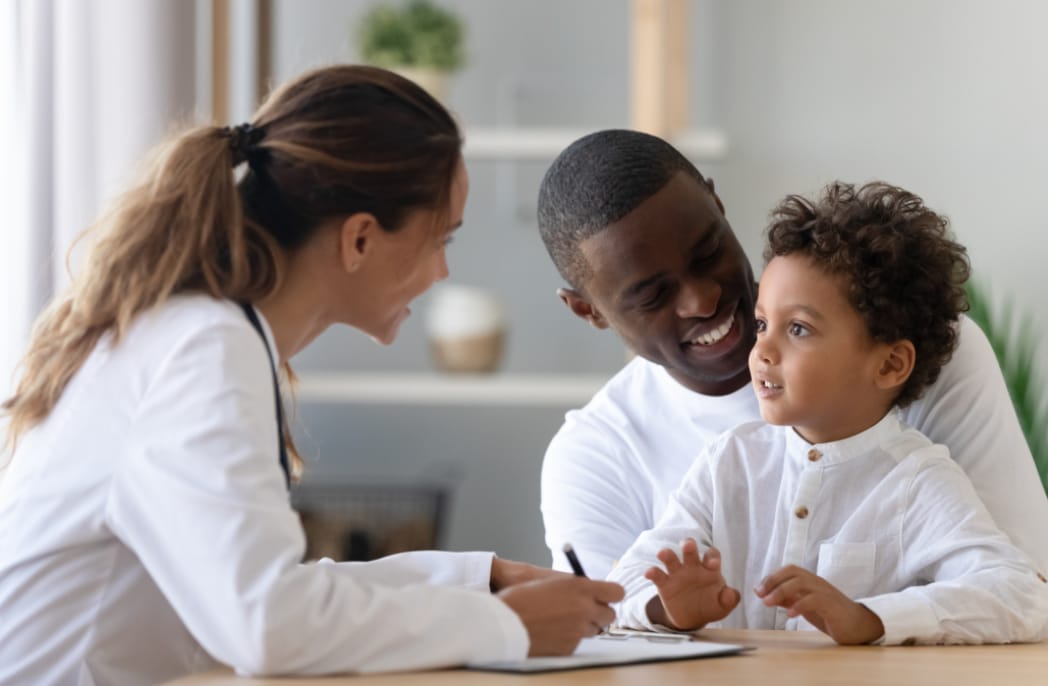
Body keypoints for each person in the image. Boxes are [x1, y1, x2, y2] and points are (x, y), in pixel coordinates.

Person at [0, 65, 623, 685]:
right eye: (442, 241)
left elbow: (269, 589)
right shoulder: (202, 350)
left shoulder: (196, 333)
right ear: (359, 240)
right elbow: (268, 626)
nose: (441, 275)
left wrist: (480, 580)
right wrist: (507, 628)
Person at [537, 129, 1048, 581]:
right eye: (652, 297)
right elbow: (610, 639)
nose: (703, 300)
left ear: (719, 207)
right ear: (589, 311)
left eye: (708, 253)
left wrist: (865, 622)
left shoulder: (919, 344)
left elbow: (1027, 590)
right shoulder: (596, 455)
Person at [607, 181, 1048, 645]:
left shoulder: (918, 480)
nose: (762, 351)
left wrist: (869, 618)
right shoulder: (730, 462)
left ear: (889, 363)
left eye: (798, 328)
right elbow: (623, 586)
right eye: (762, 324)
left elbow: (1023, 596)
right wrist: (668, 608)